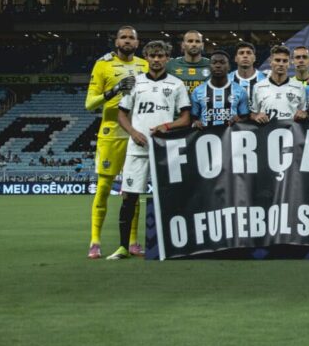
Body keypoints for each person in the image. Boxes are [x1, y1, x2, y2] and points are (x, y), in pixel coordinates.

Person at [110, 40, 191, 260]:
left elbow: (185, 118)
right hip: (137, 150)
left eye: (160, 56)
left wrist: (167, 126)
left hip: (164, 150)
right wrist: (133, 132)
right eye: (152, 56)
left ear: (167, 58)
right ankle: (123, 247)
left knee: (168, 197)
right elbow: (121, 115)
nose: (156, 59)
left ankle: (170, 246)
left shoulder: (176, 84)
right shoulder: (135, 83)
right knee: (129, 198)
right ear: (146, 57)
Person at [84, 26, 148, 260]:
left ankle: (133, 241)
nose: (127, 41)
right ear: (116, 42)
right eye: (123, 37)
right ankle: (95, 241)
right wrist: (113, 91)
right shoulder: (103, 65)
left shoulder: (145, 65)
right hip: (111, 133)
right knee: (103, 188)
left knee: (133, 189)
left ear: (137, 43)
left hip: (136, 133)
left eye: (131, 38)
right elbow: (89, 104)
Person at [250, 46, 308, 124]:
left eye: (285, 61)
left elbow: (304, 112)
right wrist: (256, 116)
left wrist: (304, 114)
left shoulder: (299, 86)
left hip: (290, 131)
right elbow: (253, 113)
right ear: (270, 61)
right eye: (277, 60)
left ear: (289, 63)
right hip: (266, 130)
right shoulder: (258, 86)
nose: (281, 64)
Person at [191, 52, 250, 127]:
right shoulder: (197, 91)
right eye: (214, 62)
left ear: (229, 67)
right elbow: (193, 117)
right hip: (206, 133)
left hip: (231, 133)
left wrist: (239, 120)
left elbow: (245, 117)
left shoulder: (240, 90)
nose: (218, 65)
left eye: (222, 62)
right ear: (209, 67)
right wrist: (195, 123)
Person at [166, 30, 211, 94]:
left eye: (197, 41)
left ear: (202, 45)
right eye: (190, 41)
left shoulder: (211, 65)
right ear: (183, 45)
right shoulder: (171, 65)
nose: (194, 44)